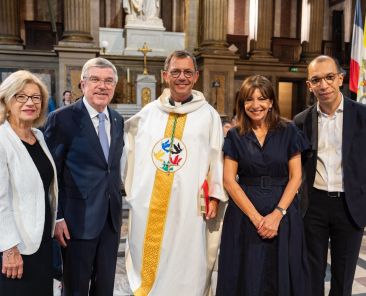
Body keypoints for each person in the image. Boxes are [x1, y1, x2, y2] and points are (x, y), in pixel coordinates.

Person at [123, 50, 227, 295]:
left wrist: (214, 195)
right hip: (150, 203)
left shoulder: (208, 115)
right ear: (165, 76)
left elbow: (216, 158)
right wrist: (134, 191)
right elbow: (129, 153)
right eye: (176, 72)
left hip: (190, 205)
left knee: (187, 259)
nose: (182, 77)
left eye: (188, 72)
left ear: (196, 76)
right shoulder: (148, 113)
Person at [216, 75, 310, 296]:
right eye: (249, 99)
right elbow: (229, 180)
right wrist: (257, 219)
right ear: (242, 103)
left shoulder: (289, 130)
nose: (255, 105)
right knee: (246, 273)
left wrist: (277, 215)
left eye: (262, 99)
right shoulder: (235, 135)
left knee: (281, 273)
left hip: (284, 212)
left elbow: (296, 176)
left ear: (270, 103)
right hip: (245, 214)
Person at [44, 57, 124, 296]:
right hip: (76, 221)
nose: (103, 86)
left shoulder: (118, 119)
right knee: (76, 287)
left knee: (105, 287)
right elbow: (51, 171)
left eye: (109, 81)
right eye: (96, 79)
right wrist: (57, 217)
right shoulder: (62, 118)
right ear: (83, 84)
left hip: (110, 220)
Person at [294, 55, 366, 295]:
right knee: (312, 274)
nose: (323, 85)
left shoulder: (362, 116)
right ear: (309, 85)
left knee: (343, 276)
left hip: (350, 205)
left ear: (340, 79)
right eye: (316, 80)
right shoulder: (301, 121)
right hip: (314, 205)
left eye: (329, 77)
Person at [0, 70, 58, 295]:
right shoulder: (2, 139)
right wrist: (8, 247)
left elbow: (46, 187)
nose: (30, 103)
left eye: (36, 97)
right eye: (21, 96)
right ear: (7, 99)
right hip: (14, 246)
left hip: (39, 238)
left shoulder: (37, 136)